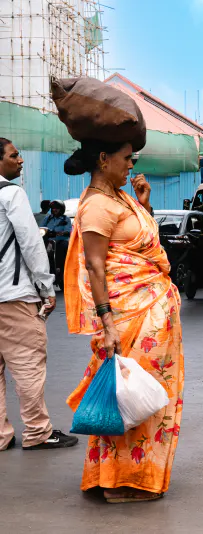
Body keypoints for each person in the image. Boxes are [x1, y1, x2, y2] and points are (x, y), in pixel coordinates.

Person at [63, 139, 183, 503]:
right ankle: (124, 482)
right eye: (127, 159)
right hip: (128, 317)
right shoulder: (97, 205)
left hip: (150, 312)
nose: (131, 165)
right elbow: (96, 265)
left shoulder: (120, 197)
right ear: (104, 158)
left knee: (142, 398)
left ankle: (121, 476)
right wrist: (108, 323)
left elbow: (134, 243)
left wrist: (143, 204)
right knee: (132, 400)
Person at [0, 138, 78, 452]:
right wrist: (46, 288)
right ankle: (37, 432)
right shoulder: (11, 194)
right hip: (14, 296)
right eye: (14, 155)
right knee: (28, 365)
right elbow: (31, 244)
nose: (20, 160)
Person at [42, 200, 73, 288]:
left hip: (60, 242)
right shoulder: (47, 218)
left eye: (57, 208)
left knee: (64, 245)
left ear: (61, 209)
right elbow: (41, 228)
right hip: (49, 242)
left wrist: (61, 233)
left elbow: (68, 230)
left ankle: (61, 268)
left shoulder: (65, 219)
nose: (54, 210)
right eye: (53, 208)